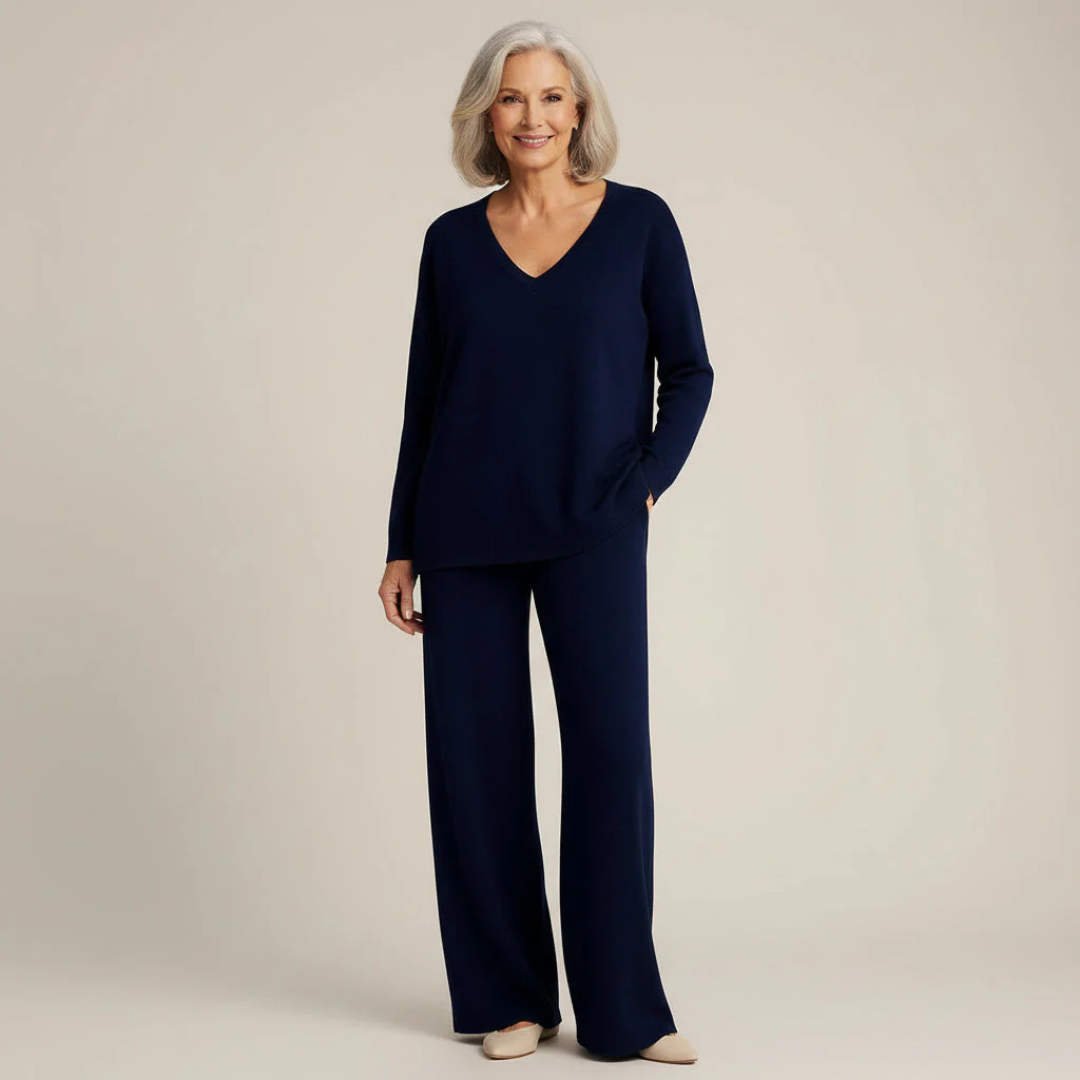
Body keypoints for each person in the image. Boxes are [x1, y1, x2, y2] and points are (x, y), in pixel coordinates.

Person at [378, 19, 712, 1065]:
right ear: (487, 115)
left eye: (552, 97)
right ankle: (510, 998)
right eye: (513, 97)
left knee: (610, 757)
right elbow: (424, 402)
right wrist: (400, 543)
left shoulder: (640, 224)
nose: (534, 116)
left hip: (594, 525)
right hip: (463, 530)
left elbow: (690, 371)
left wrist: (646, 484)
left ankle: (625, 1011)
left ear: (580, 111)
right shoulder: (450, 243)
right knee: (476, 766)